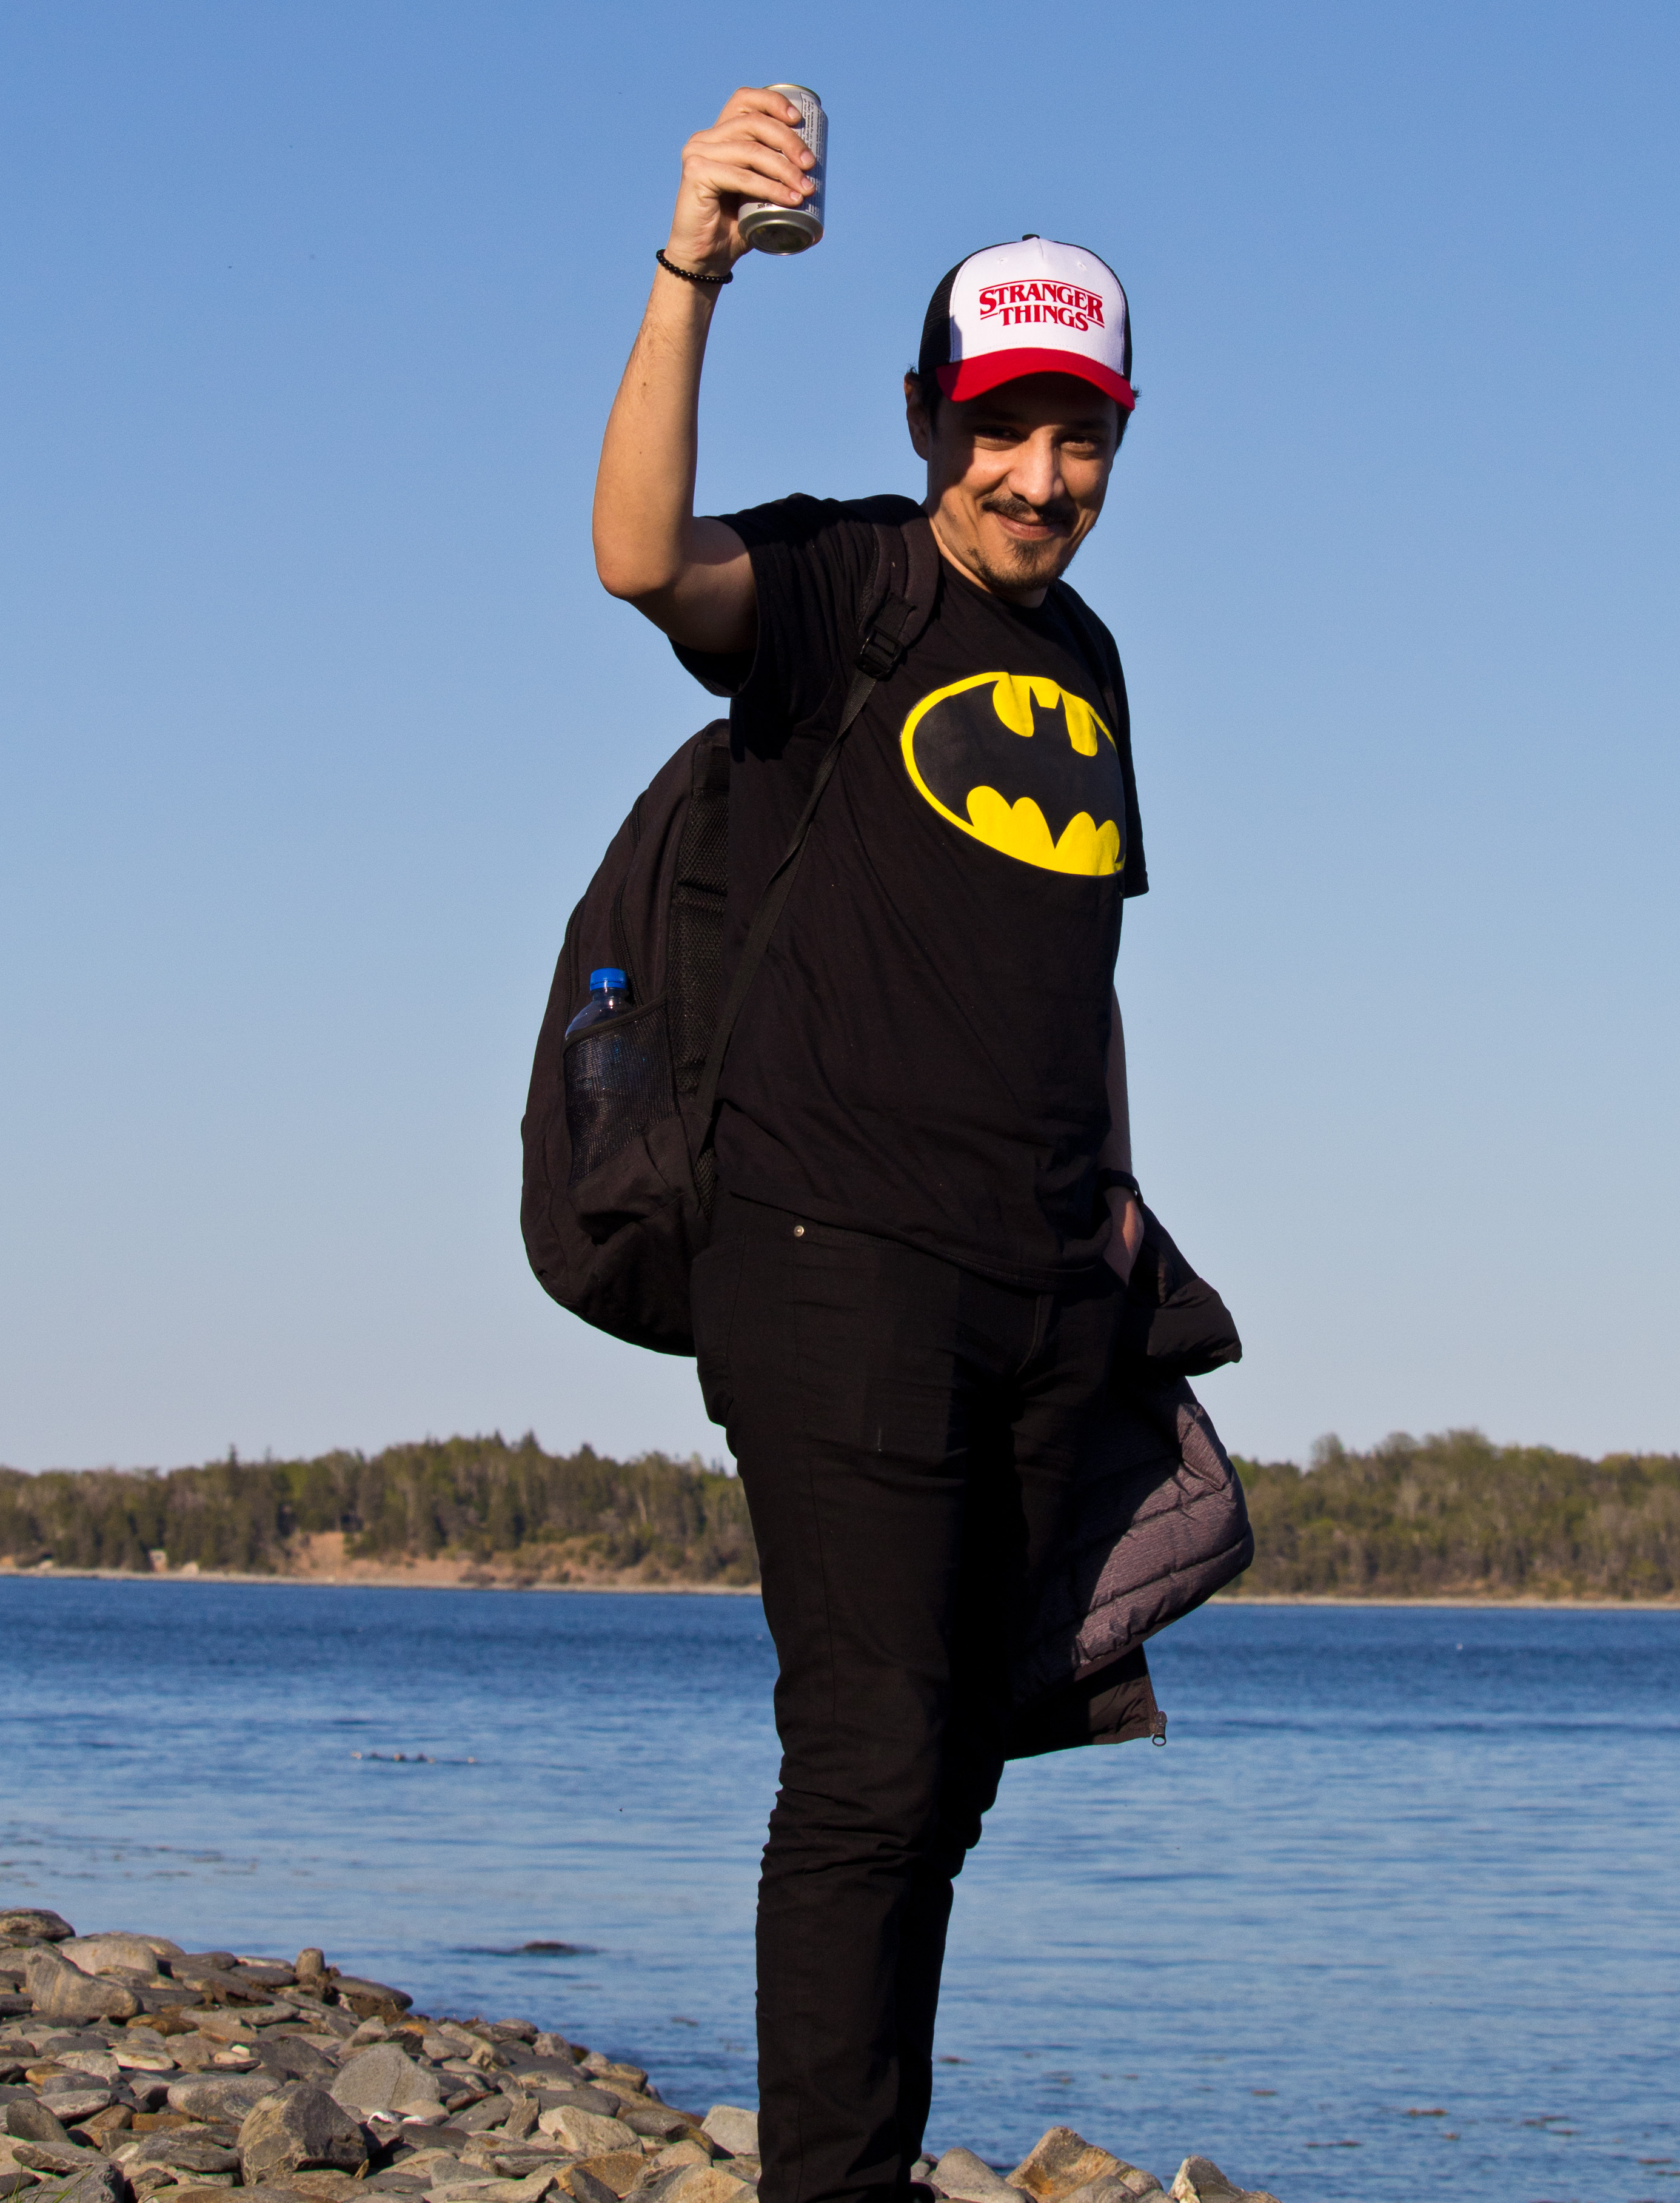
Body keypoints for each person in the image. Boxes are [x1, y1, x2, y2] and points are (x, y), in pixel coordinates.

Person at [592, 86, 1150, 2203]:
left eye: (1078, 434)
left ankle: (868, 2162)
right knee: (867, 1754)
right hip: (829, 1256)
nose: (1038, 476)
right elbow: (639, 554)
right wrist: (694, 268)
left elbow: (1073, 973)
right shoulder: (844, 583)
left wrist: (1112, 1237)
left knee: (951, 1771)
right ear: (930, 420)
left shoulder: (1090, 662)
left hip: (1039, 1284)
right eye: (1001, 429)